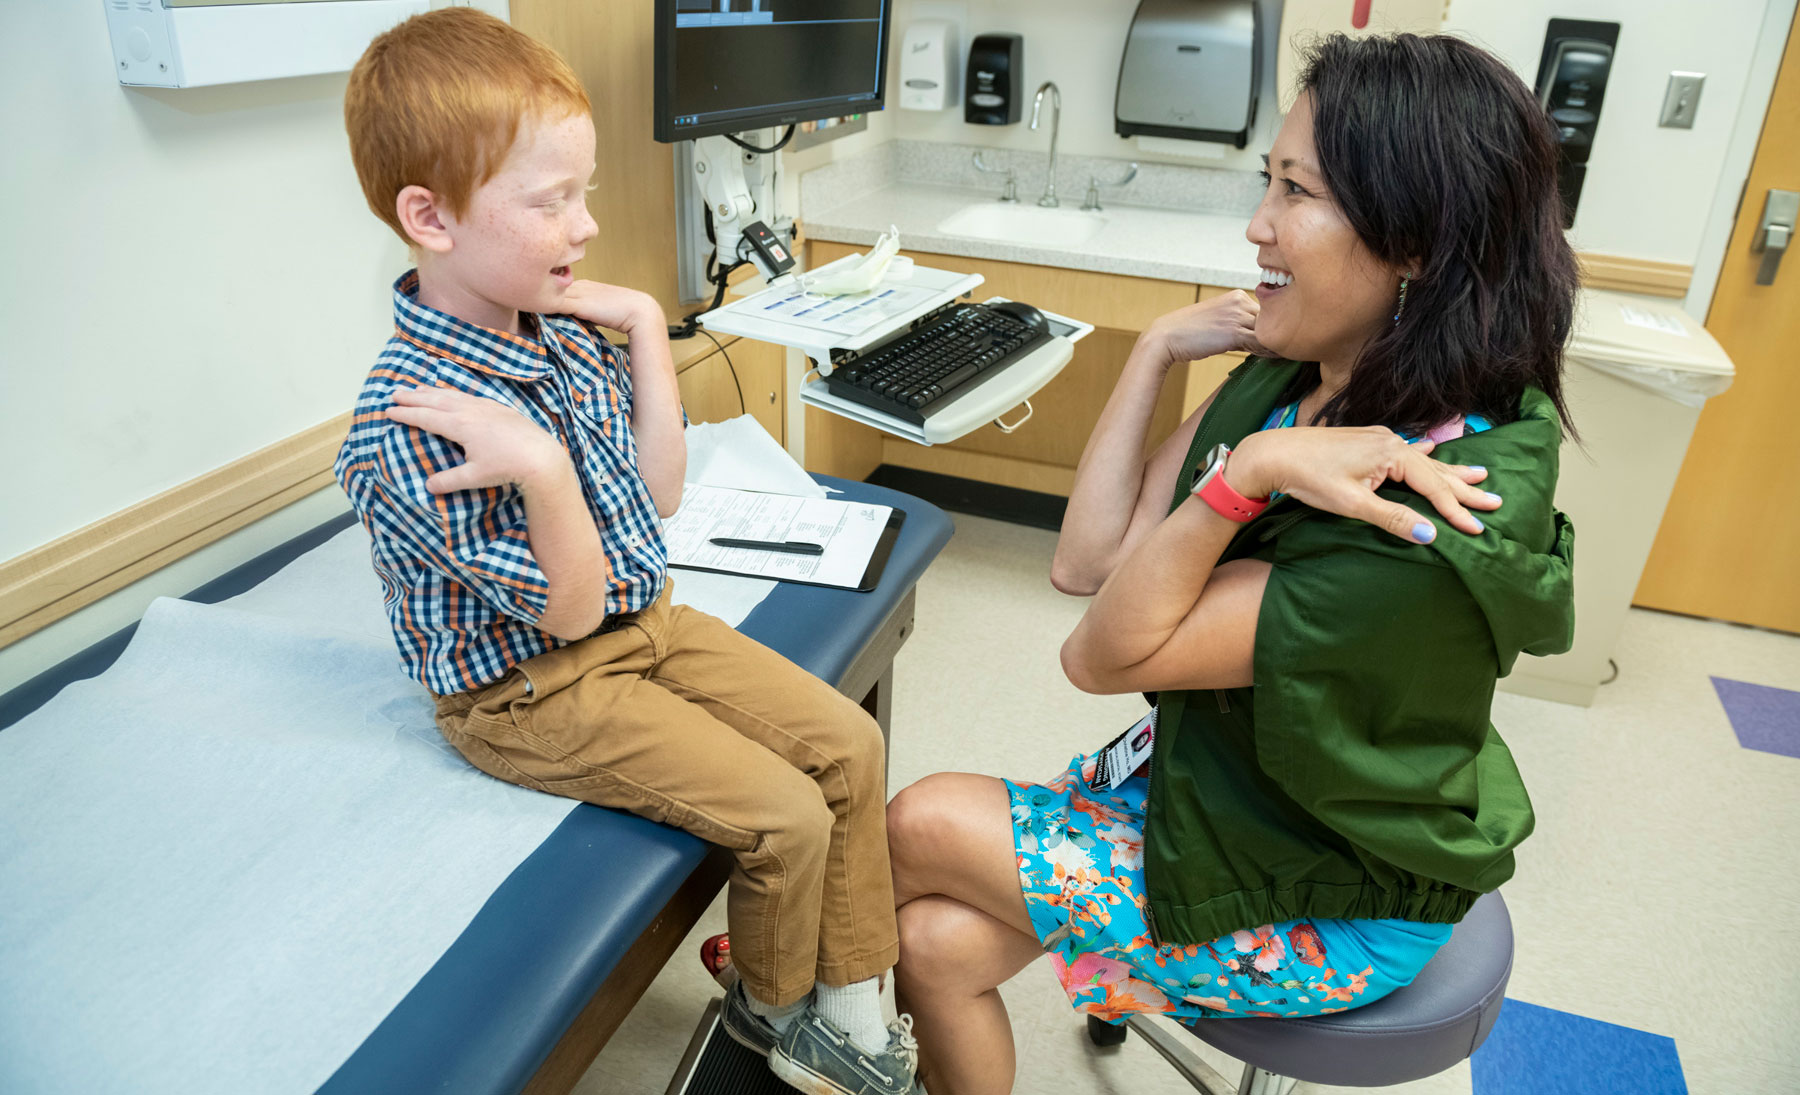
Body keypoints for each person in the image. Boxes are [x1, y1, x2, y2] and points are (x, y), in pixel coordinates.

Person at [883, 33, 1577, 1094]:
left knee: (917, 820)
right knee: (932, 944)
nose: (1257, 226)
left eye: (1295, 192)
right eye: (1268, 183)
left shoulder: (1423, 515)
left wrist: (1243, 476)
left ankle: (793, 996)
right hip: (1233, 784)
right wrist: (1158, 351)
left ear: (1417, 244)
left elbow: (1101, 655)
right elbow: (1090, 559)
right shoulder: (1308, 373)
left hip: (1331, 887)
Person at [335, 11, 916, 1093]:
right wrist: (545, 476)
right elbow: (565, 612)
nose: (585, 225)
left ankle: (853, 1005)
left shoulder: (552, 331)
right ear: (430, 217)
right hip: (529, 691)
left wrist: (648, 325)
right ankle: (775, 1012)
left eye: (585, 192)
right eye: (552, 201)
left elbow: (654, 496)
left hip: (639, 622)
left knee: (847, 747)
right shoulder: (406, 426)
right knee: (786, 815)